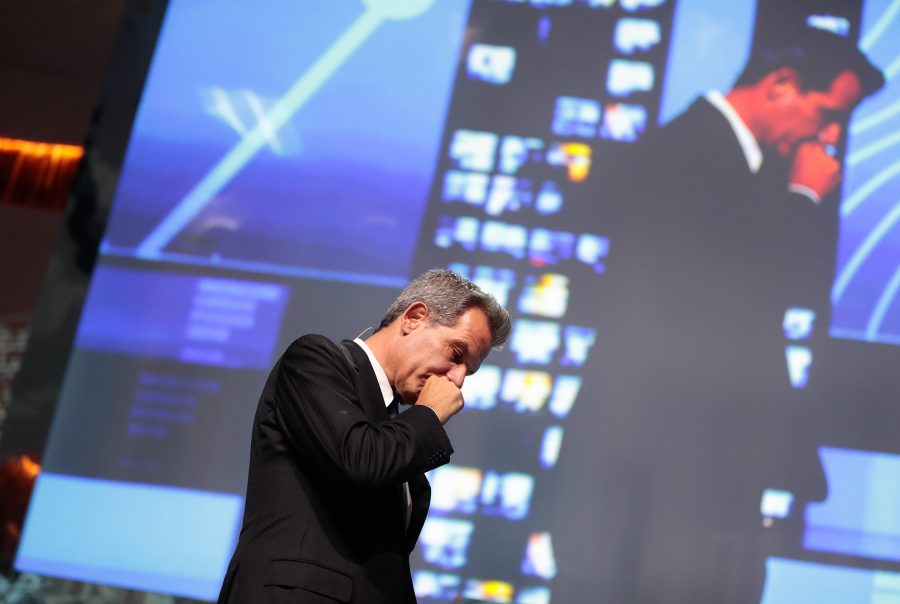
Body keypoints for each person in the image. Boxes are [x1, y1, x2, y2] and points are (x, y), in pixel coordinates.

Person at [552, 27, 884, 603]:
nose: (830, 137)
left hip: (684, 482)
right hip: (652, 484)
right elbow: (724, 305)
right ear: (781, 84)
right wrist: (803, 200)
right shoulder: (687, 155)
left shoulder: (732, 162)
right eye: (828, 114)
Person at [217, 269, 511, 603]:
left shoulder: (396, 426)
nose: (457, 380)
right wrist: (429, 413)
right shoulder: (315, 359)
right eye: (456, 354)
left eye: (468, 371)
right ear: (414, 318)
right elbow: (360, 462)